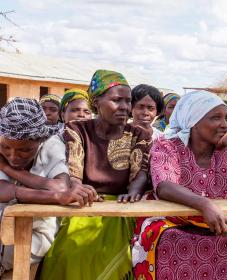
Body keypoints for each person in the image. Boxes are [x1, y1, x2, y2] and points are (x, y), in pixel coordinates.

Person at [131, 91, 227, 280]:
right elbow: (165, 186)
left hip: (214, 219)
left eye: (226, 118)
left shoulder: (226, 152)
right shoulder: (168, 145)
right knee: (168, 240)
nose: (225, 124)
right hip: (170, 218)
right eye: (216, 118)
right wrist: (204, 204)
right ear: (192, 121)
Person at [40, 70, 152, 280]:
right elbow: (74, 168)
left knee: (127, 254)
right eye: (116, 100)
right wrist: (76, 187)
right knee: (71, 251)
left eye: (128, 101)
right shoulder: (78, 130)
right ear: (96, 102)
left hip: (123, 208)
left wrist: (134, 192)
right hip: (84, 206)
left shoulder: (138, 134)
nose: (124, 107)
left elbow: (141, 172)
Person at [0, 98, 95, 273]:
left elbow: (59, 188)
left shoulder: (51, 145)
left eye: (25, 150)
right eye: (6, 148)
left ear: (40, 140)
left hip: (34, 235)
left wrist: (7, 168)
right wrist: (56, 197)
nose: (13, 156)